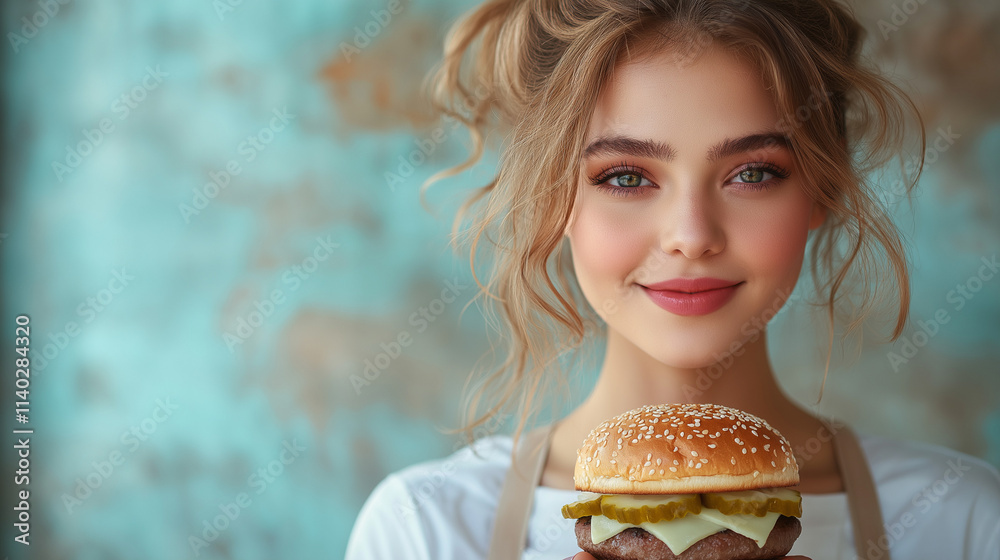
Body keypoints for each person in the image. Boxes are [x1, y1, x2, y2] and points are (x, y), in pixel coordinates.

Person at [345, 1, 1000, 559]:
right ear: (552, 195)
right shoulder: (424, 527)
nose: (690, 233)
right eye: (626, 176)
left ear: (820, 188)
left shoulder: (963, 519)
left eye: (753, 172)